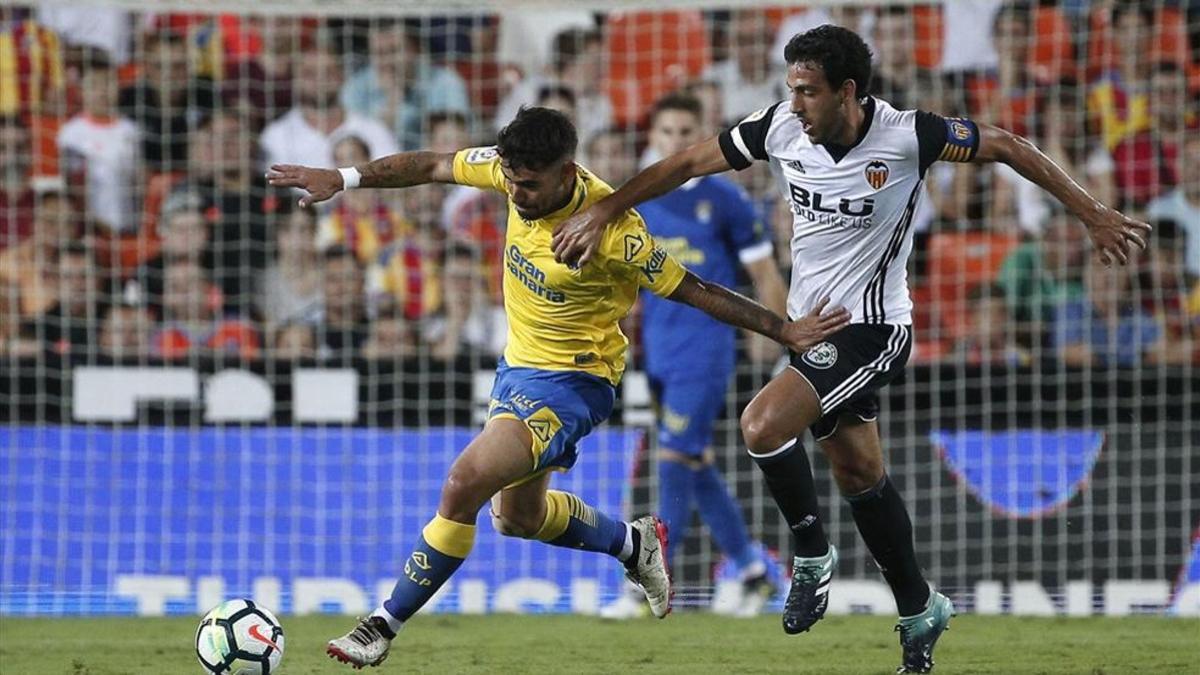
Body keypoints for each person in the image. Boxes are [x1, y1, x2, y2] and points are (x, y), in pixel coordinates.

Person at [550, 25, 1149, 674]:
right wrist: (607, 208)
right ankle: (922, 609)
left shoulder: (908, 134)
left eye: (808, 92)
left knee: (761, 424)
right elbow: (690, 162)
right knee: (860, 473)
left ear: (848, 92)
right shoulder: (779, 127)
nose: (796, 103)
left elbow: (1006, 145)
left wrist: (1092, 213)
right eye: (792, 90)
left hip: (873, 328)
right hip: (814, 328)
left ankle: (810, 556)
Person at [268, 106, 849, 668]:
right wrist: (342, 178)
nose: (516, 194)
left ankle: (381, 626)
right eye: (512, 182)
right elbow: (429, 166)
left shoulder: (617, 233)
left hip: (575, 381)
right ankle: (632, 544)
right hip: (516, 367)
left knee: (463, 483)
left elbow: (697, 290)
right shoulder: (505, 167)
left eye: (529, 185)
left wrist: (782, 329)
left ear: (567, 172)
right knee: (515, 518)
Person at [600, 93, 788, 620]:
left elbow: (766, 276)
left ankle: (648, 586)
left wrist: (777, 342)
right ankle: (752, 572)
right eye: (667, 132)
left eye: (687, 131)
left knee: (676, 458)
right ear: (652, 139)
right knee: (694, 460)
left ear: (701, 136)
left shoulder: (726, 201)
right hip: (655, 353)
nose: (676, 141)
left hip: (706, 353)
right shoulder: (637, 201)